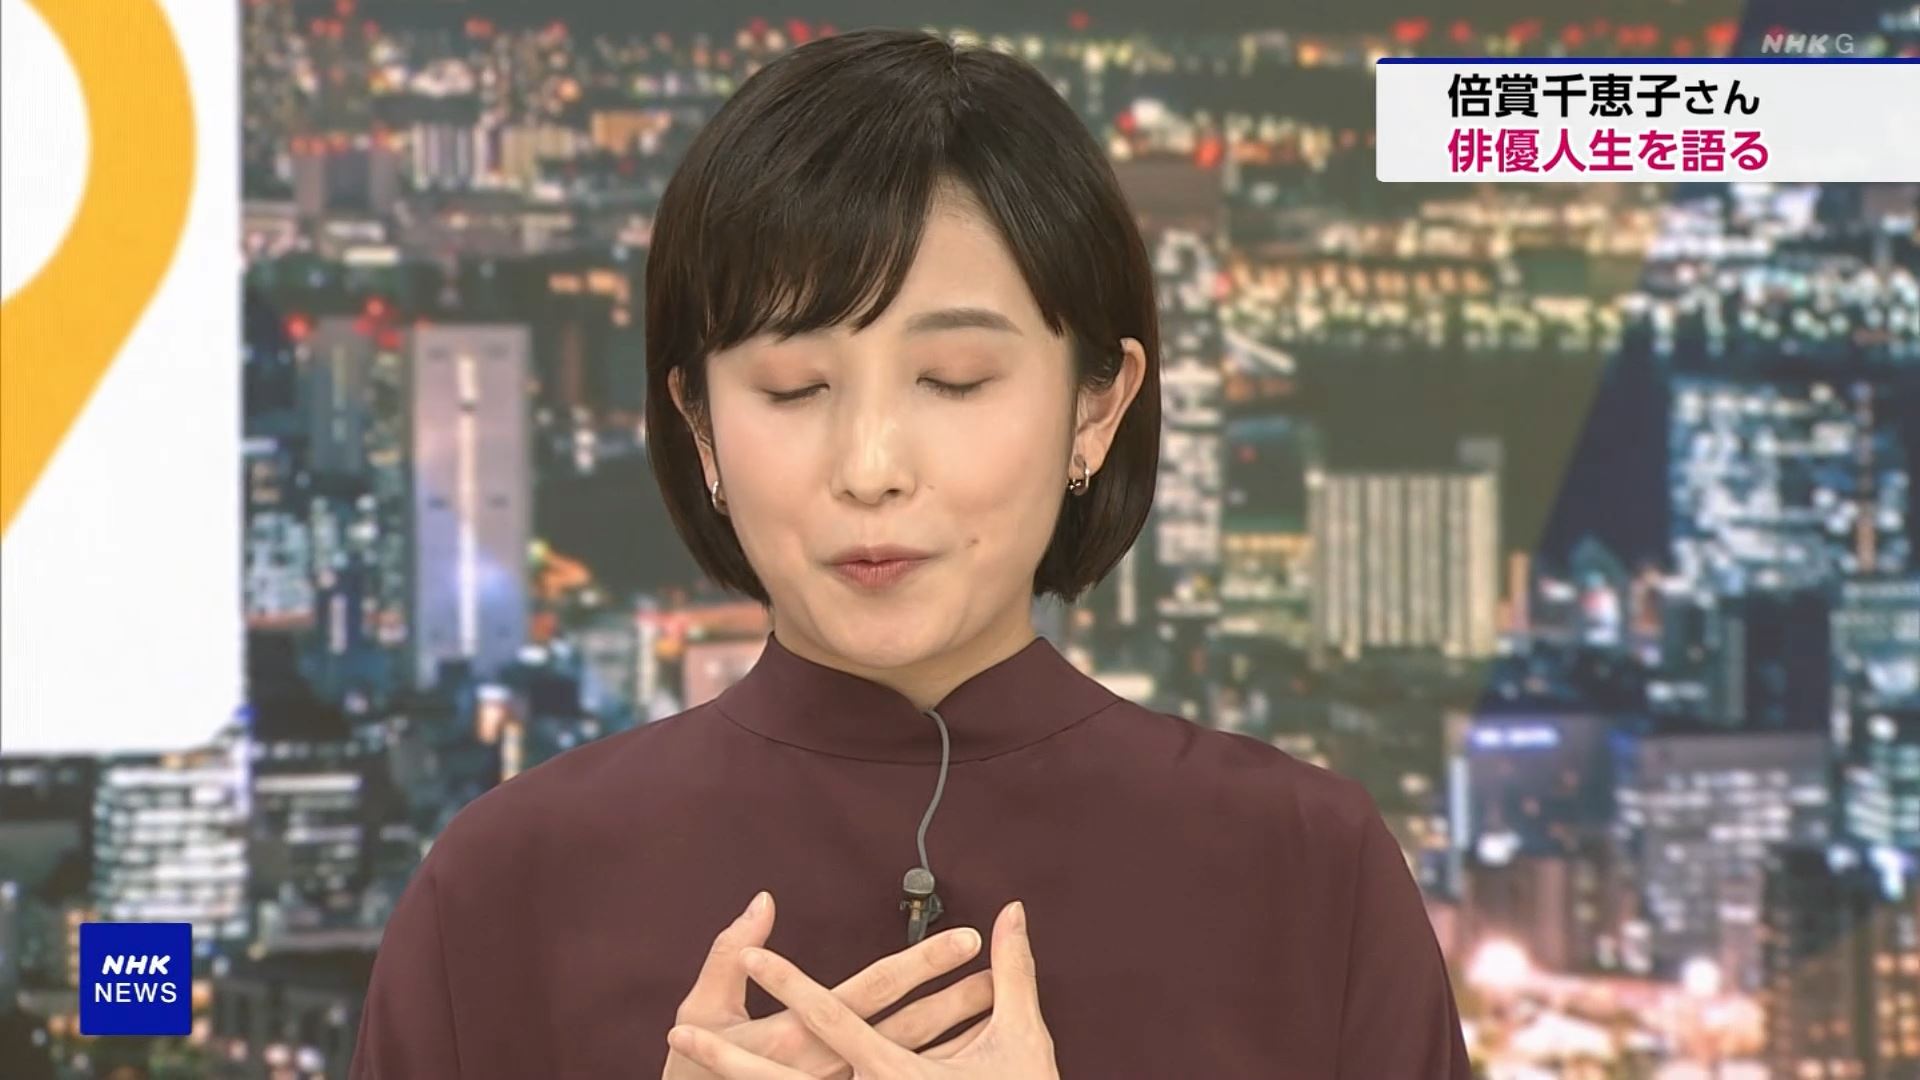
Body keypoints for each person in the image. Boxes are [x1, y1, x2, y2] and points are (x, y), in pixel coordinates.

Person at [350, 26, 1472, 1079]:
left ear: (1096, 406)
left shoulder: (1307, 869)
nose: (872, 466)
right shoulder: (506, 888)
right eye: (794, 387)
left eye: (954, 380)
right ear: (700, 424)